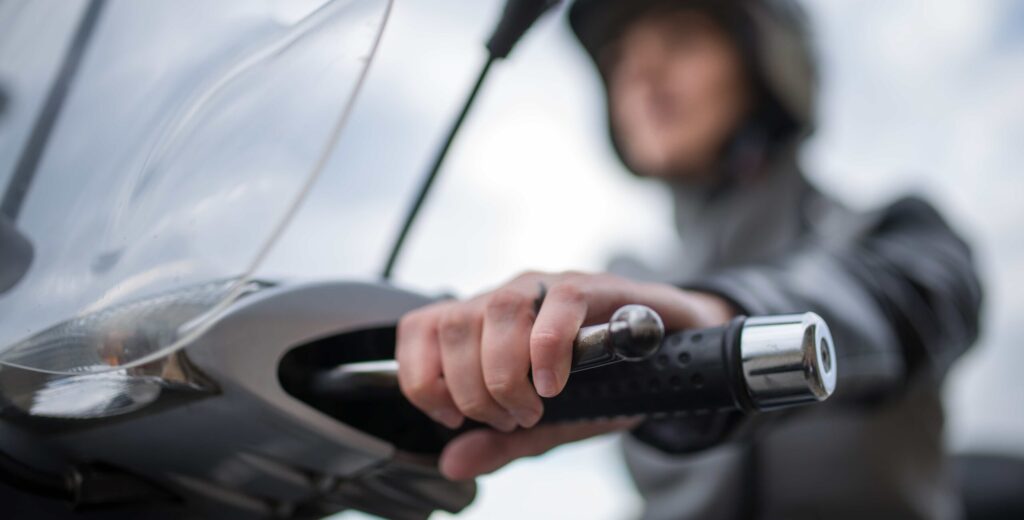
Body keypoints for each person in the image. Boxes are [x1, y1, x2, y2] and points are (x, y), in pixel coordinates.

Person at [395, 0, 983, 518]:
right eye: (621, 59)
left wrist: (720, 319)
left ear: (767, 58)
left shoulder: (894, 231)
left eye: (681, 41)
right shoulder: (626, 283)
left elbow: (898, 302)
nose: (642, 73)